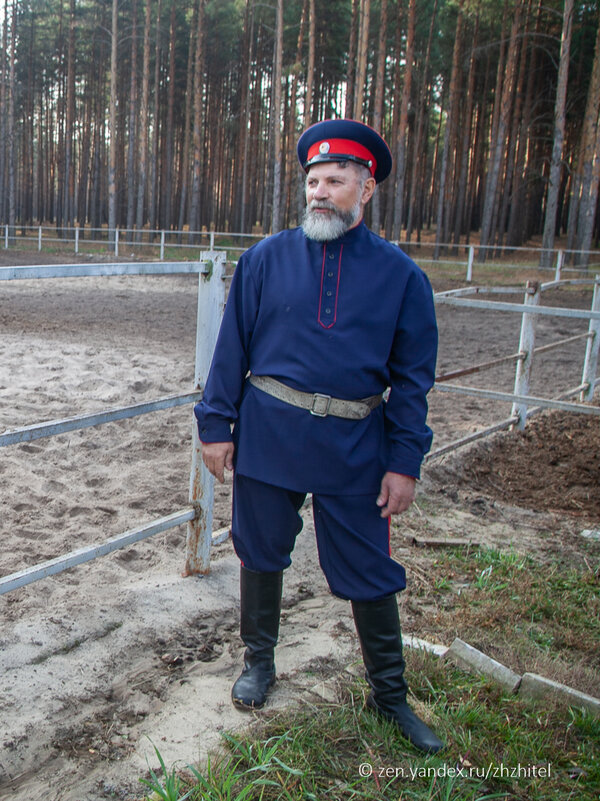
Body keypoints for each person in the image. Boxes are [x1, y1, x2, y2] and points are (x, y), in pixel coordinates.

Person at [193, 119, 443, 754]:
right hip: (270, 434)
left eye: (335, 181)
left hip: (357, 444)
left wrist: (404, 461)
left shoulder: (402, 278)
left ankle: (390, 697)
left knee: (370, 568)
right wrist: (216, 424)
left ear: (366, 189)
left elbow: (413, 384)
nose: (320, 192)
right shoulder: (264, 260)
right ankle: (259, 664)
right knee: (260, 550)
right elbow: (231, 350)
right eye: (312, 180)